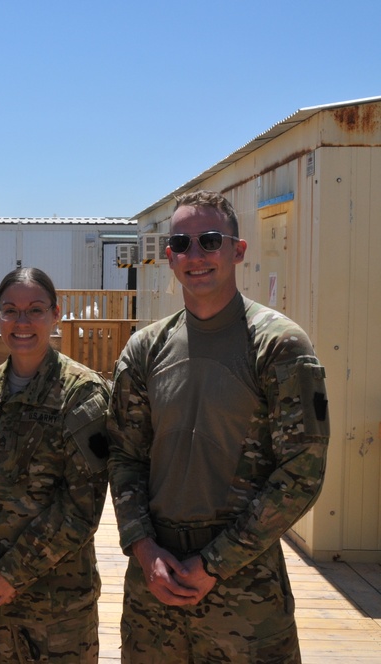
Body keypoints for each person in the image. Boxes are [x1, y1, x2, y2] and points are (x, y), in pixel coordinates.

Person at [107, 190, 330, 662]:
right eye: (182, 244)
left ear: (238, 250)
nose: (196, 255)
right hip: (156, 581)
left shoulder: (280, 345)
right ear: (169, 257)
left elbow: (302, 472)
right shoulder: (145, 349)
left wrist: (214, 563)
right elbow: (125, 456)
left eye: (210, 241)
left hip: (243, 583)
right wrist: (144, 548)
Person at [0, 267, 111, 663]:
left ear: (55, 314)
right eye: (10, 310)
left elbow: (82, 507)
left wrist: (10, 574)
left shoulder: (82, 393)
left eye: (35, 310)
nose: (22, 322)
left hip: (57, 610)